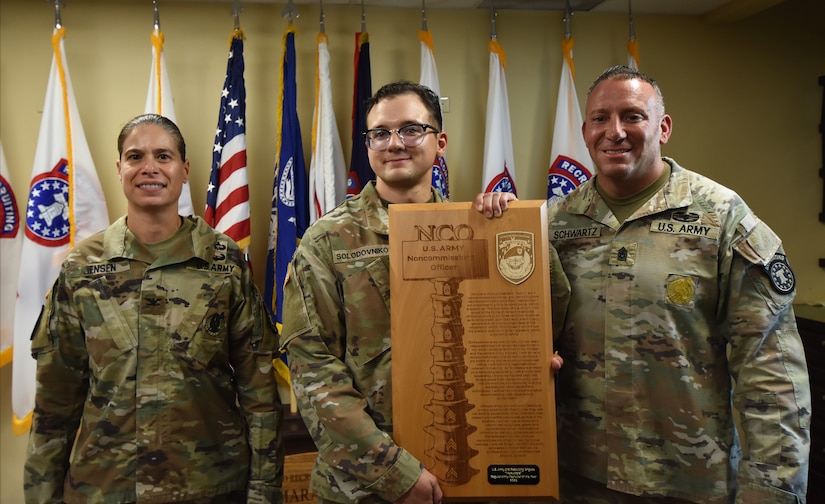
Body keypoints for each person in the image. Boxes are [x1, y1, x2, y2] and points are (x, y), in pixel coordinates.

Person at [477, 65, 811, 503]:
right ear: (585, 130)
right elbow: (503, 329)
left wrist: (773, 490)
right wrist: (488, 223)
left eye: (632, 116)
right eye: (600, 118)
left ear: (663, 126)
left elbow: (770, 371)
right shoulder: (551, 224)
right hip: (573, 476)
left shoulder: (722, 218)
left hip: (686, 480)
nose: (614, 131)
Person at [281, 81, 569, 504]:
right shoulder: (327, 241)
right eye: (380, 133)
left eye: (411, 129)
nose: (394, 143)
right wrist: (392, 472)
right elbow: (313, 372)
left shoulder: (480, 226)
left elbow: (549, 310)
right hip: (364, 487)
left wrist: (513, 227)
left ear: (441, 141)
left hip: (474, 472)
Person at [24, 113, 284, 503]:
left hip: (209, 486)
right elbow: (54, 403)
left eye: (164, 156)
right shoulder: (83, 267)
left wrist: (264, 493)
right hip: (105, 487)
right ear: (120, 169)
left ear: (184, 170)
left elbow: (259, 390)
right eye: (135, 156)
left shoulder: (223, 261)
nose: (149, 167)